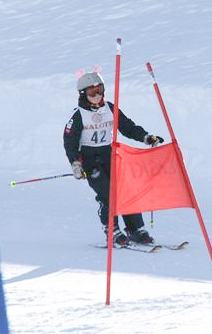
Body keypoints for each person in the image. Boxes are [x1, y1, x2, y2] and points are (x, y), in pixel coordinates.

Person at [63, 68, 164, 245]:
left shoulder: (109, 108)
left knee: (127, 190)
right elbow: (70, 142)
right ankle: (112, 230)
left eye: (99, 90)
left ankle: (135, 229)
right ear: (82, 94)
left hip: (109, 156)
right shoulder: (78, 115)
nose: (97, 95)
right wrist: (76, 164)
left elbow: (127, 127)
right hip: (90, 161)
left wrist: (146, 137)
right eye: (92, 92)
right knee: (107, 194)